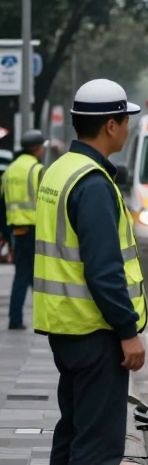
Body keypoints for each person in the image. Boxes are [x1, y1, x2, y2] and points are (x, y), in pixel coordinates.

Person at [34, 79, 148, 465]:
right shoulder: (94, 184)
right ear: (111, 125)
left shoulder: (60, 170)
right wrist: (128, 330)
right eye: (126, 121)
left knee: (72, 433)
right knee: (98, 441)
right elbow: (104, 271)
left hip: (66, 328)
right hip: (95, 329)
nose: (128, 129)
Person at [1, 129, 45, 329]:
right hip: (35, 230)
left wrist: (6, 234)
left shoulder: (9, 171)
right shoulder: (37, 169)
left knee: (24, 274)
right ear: (37, 148)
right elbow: (47, 202)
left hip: (16, 231)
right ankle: (37, 317)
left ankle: (17, 318)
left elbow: (2, 204)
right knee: (35, 276)